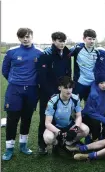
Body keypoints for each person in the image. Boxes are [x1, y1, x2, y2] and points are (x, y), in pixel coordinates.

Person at [2, 28, 44, 160]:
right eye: (22, 37)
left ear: (32, 36)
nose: (25, 39)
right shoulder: (11, 52)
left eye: (27, 36)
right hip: (15, 90)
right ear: (18, 38)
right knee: (12, 119)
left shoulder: (39, 52)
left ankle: (23, 145)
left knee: (27, 118)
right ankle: (9, 149)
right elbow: (5, 70)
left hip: (32, 90)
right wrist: (14, 81)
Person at [36, 31, 71, 155]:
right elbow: (42, 77)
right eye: (59, 41)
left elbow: (68, 72)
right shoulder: (46, 54)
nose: (62, 43)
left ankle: (58, 144)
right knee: (45, 118)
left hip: (62, 91)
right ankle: (42, 145)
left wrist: (67, 88)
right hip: (48, 93)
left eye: (63, 40)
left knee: (60, 117)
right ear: (53, 41)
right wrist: (51, 92)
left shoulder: (67, 53)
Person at [43, 76, 89, 153]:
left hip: (70, 125)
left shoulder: (75, 98)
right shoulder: (52, 101)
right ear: (59, 88)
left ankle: (68, 143)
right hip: (56, 127)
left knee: (86, 130)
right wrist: (59, 132)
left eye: (70, 88)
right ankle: (57, 144)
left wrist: (75, 128)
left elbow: (78, 116)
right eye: (65, 88)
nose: (69, 90)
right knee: (48, 138)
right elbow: (47, 123)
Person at [71, 29, 100, 101]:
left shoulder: (97, 52)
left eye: (94, 39)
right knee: (75, 104)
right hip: (79, 83)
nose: (92, 41)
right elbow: (64, 53)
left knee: (89, 106)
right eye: (89, 39)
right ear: (84, 39)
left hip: (92, 83)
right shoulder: (77, 50)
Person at [81, 74, 105, 142]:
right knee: (96, 123)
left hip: (100, 115)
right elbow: (89, 112)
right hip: (89, 116)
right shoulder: (93, 94)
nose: (104, 85)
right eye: (101, 83)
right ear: (98, 83)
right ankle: (93, 139)